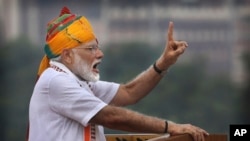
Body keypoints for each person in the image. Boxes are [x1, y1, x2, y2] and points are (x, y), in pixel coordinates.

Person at [28, 6, 209, 141]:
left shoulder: (79, 82)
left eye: (97, 47)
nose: (100, 54)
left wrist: (164, 62)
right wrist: (171, 127)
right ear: (67, 55)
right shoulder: (56, 81)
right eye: (91, 48)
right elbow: (112, 117)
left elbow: (129, 92)